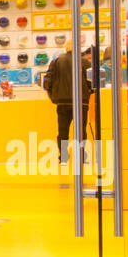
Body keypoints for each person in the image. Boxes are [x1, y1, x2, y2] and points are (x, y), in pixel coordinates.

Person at [43, 43, 94, 171]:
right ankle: (81, 158)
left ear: (66, 49)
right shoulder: (84, 62)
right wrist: (88, 93)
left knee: (63, 132)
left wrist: (53, 96)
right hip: (81, 102)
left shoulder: (56, 61)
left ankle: (64, 158)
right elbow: (92, 82)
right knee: (80, 131)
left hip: (62, 102)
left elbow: (47, 81)